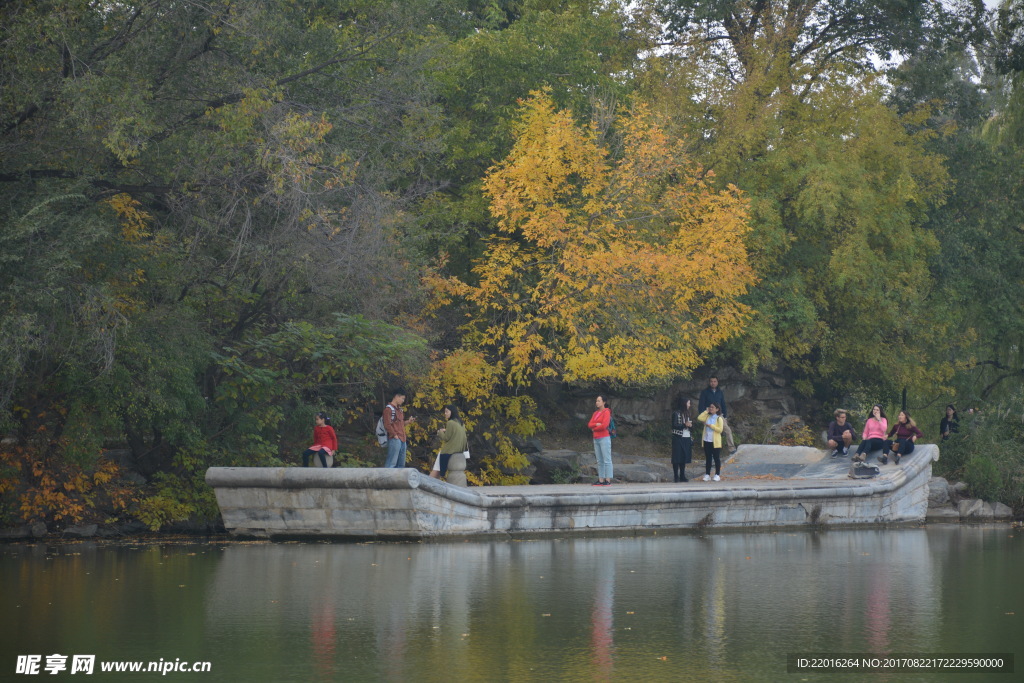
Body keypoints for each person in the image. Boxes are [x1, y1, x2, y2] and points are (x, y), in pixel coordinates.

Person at [698, 375, 736, 453]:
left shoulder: (720, 392)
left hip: (719, 415)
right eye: (711, 381)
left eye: (715, 381)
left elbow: (723, 404)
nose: (713, 383)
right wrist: (702, 416)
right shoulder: (705, 392)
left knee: (727, 430)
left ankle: (732, 449)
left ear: (717, 382)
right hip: (708, 415)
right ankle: (710, 451)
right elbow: (701, 405)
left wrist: (725, 416)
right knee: (710, 433)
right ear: (709, 382)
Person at [431, 405, 468, 479]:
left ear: (452, 412)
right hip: (460, 449)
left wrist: (440, 432)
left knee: (436, 469)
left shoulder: (450, 422)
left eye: (447, 411)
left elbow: (446, 438)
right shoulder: (461, 423)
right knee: (437, 468)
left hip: (450, 450)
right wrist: (446, 430)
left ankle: (428, 483)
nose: (445, 413)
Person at [382, 389, 415, 468]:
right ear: (396, 397)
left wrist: (408, 422)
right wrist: (394, 435)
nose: (403, 401)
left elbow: (401, 424)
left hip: (403, 439)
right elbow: (387, 424)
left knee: (401, 465)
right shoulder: (388, 409)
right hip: (395, 439)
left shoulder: (400, 410)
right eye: (402, 398)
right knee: (391, 463)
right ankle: (387, 479)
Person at [588, 395, 613, 486]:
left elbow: (604, 425)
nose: (597, 402)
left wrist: (595, 429)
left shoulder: (606, 412)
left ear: (604, 402)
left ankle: (608, 480)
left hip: (604, 438)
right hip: (596, 438)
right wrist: (596, 424)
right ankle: (601, 479)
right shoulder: (595, 413)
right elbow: (589, 424)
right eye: (596, 400)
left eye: (599, 401)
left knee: (607, 459)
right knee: (599, 460)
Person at [697, 403, 725, 481]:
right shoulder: (707, 416)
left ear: (717, 409)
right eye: (710, 407)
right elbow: (699, 418)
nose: (711, 408)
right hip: (707, 440)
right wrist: (706, 411)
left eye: (713, 407)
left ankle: (717, 474)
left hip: (715, 441)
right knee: (708, 458)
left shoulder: (719, 418)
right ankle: (707, 474)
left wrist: (711, 426)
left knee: (716, 458)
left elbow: (720, 430)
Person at [671, 397, 693, 482]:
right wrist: (684, 425)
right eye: (688, 403)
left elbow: (690, 425)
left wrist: (690, 426)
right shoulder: (676, 413)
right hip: (678, 437)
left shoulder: (688, 413)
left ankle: (682, 475)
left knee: (684, 457)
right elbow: (674, 425)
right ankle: (676, 476)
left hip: (687, 437)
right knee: (677, 457)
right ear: (684, 404)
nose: (689, 405)